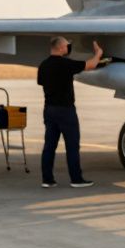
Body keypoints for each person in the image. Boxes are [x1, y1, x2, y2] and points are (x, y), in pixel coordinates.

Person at [37, 37, 104, 188]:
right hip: (65, 111)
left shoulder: (43, 65)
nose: (69, 47)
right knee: (72, 146)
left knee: (49, 146)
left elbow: (42, 83)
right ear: (61, 47)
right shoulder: (66, 64)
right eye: (67, 45)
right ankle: (76, 179)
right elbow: (92, 65)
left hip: (49, 110)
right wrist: (98, 53)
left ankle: (47, 180)